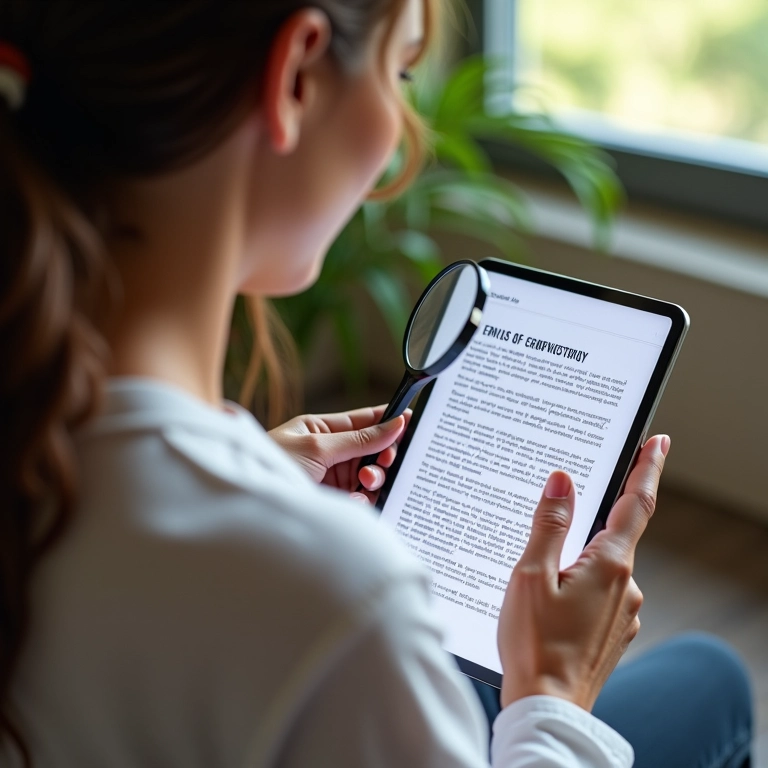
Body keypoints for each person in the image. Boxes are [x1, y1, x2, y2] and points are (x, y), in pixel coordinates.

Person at [0, 1, 753, 766]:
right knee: (714, 680)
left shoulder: (36, 426)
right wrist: (555, 695)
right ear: (297, 74)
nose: (407, 144)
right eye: (399, 73)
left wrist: (245, 478)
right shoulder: (345, 602)